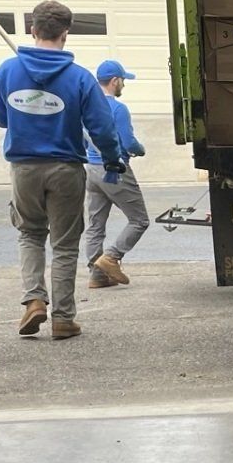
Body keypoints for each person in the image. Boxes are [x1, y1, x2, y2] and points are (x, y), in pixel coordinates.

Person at [0, 0, 124, 340]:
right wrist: (112, 157)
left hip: (23, 168)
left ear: (33, 30)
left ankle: (34, 299)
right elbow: (102, 127)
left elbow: (1, 117)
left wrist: (29, 110)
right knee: (64, 244)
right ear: (66, 33)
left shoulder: (8, 70)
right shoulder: (79, 78)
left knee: (31, 234)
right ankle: (63, 318)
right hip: (65, 168)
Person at [83, 59, 152, 290]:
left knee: (95, 224)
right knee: (139, 220)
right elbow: (128, 141)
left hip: (91, 170)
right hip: (114, 169)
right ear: (114, 81)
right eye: (123, 80)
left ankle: (97, 275)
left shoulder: (86, 106)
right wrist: (140, 150)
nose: (123, 84)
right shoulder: (117, 108)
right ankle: (111, 257)